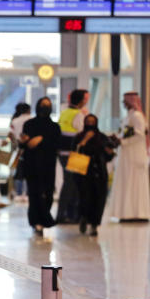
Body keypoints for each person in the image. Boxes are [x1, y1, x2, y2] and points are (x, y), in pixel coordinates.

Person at [107, 92, 150, 222]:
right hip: (126, 154)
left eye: (125, 101)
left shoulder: (137, 116)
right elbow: (125, 133)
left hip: (135, 155)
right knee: (126, 182)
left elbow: (140, 135)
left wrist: (123, 141)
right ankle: (127, 213)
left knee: (134, 182)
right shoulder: (129, 116)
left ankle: (138, 213)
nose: (124, 103)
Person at [19, 97, 61, 236]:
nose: (45, 107)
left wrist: (41, 139)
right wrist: (27, 141)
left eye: (48, 105)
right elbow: (24, 143)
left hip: (48, 164)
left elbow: (56, 144)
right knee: (34, 194)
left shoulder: (55, 127)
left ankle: (45, 219)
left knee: (48, 194)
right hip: (32, 164)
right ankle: (36, 222)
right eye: (43, 105)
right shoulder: (29, 124)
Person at [73, 113, 115, 236]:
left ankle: (95, 224)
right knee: (84, 198)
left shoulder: (102, 137)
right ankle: (84, 218)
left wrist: (109, 152)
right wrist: (85, 140)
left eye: (93, 122)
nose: (90, 124)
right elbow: (75, 152)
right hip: (83, 173)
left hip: (99, 172)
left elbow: (108, 156)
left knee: (99, 198)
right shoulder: (79, 137)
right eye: (88, 122)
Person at [56, 89, 89, 223]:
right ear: (81, 101)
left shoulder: (64, 113)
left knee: (69, 183)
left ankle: (66, 214)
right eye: (86, 99)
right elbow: (82, 132)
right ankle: (68, 215)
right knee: (74, 184)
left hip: (63, 152)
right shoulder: (79, 115)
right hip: (76, 153)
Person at [7, 102, 33, 200]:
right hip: (30, 149)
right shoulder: (32, 119)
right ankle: (26, 193)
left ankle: (17, 193)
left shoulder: (14, 121)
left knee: (17, 171)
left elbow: (10, 134)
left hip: (17, 149)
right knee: (29, 171)